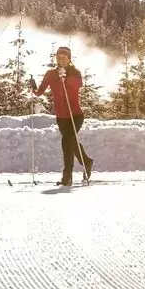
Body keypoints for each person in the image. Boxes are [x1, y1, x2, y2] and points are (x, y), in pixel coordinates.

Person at [29, 46, 93, 186]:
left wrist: (66, 77)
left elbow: (78, 84)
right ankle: (86, 161)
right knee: (71, 142)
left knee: (67, 142)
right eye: (58, 57)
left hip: (75, 114)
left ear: (69, 59)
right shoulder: (51, 74)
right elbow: (39, 92)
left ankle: (67, 177)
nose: (60, 60)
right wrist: (33, 87)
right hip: (62, 116)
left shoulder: (75, 73)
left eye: (63, 57)